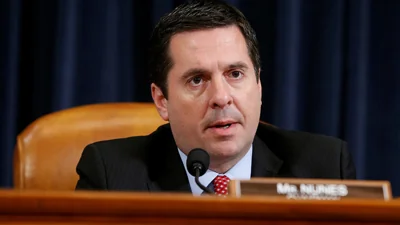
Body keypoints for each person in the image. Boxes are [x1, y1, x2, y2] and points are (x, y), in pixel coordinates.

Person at [75, 0, 356, 195]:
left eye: (235, 74)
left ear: (258, 85)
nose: (221, 98)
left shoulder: (325, 166)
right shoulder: (111, 174)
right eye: (197, 80)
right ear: (162, 100)